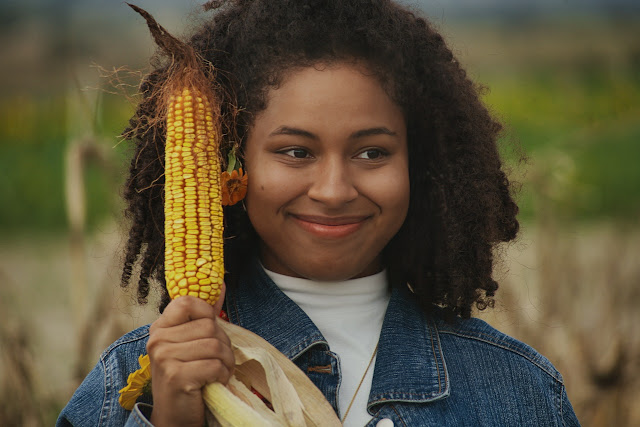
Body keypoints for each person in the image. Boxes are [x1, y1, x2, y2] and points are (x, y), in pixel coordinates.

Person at [58, 0, 581, 426]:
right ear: (232, 171)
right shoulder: (132, 384)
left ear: (422, 169)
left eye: (372, 152)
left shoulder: (518, 390)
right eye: (296, 152)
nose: (333, 190)